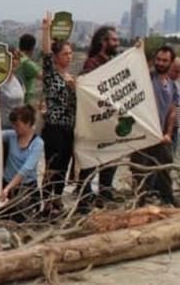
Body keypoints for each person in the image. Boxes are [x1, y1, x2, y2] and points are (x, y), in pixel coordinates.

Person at [76, 26, 120, 208]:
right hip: (96, 122)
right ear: (104, 42)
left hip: (111, 122)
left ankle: (105, 192)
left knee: (111, 158)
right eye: (114, 40)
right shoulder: (92, 64)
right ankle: (85, 197)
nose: (117, 43)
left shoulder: (114, 62)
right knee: (91, 162)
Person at [40, 11, 77, 215]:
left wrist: (75, 89)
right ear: (57, 57)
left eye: (71, 54)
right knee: (52, 166)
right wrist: (46, 30)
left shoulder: (71, 78)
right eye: (65, 54)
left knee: (63, 166)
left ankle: (57, 198)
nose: (69, 57)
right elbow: (45, 54)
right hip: (54, 126)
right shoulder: (52, 74)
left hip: (68, 127)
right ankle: (46, 201)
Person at [131, 46, 177, 206]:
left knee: (164, 167)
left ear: (171, 63)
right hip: (143, 133)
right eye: (158, 59)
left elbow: (172, 110)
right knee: (140, 170)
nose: (161, 63)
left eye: (165, 60)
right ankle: (139, 202)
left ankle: (167, 198)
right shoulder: (147, 79)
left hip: (160, 135)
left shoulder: (173, 85)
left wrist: (169, 133)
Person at [0, 105, 45, 222]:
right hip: (7, 183)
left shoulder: (37, 144)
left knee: (22, 219)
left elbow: (26, 169)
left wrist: (8, 188)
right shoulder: (11, 135)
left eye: (18, 125)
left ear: (28, 123)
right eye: (13, 125)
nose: (15, 128)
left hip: (25, 188)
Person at [0, 49, 25, 130]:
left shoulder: (19, 80)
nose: (13, 62)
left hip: (19, 127)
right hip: (2, 127)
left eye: (16, 58)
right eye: (10, 58)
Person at [16, 34, 42, 106]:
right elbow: (43, 76)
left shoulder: (17, 59)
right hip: (26, 101)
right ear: (32, 48)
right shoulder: (26, 63)